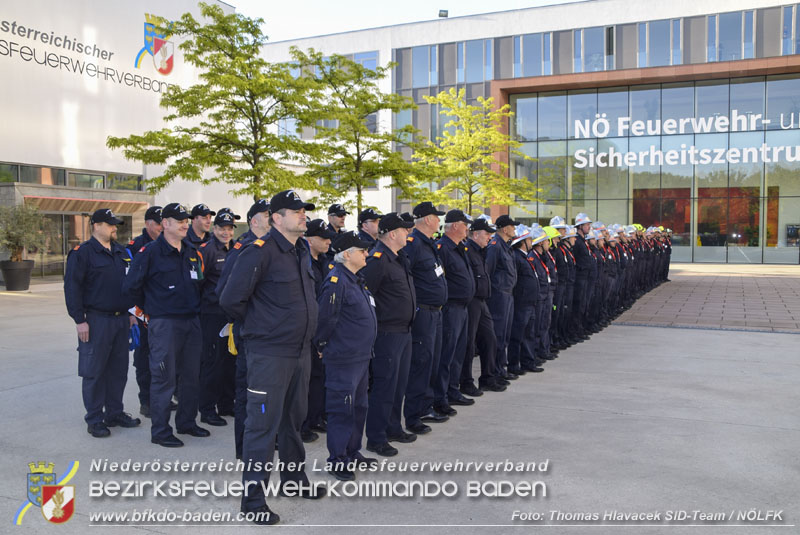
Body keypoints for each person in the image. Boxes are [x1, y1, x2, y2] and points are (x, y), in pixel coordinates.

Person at [219, 190, 324, 525]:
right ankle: (252, 501)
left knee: (292, 422)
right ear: (276, 218)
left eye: (304, 211)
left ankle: (293, 481)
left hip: (299, 352)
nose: (302, 215)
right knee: (261, 428)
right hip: (269, 355)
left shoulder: (301, 250)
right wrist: (262, 328)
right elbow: (230, 300)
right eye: (296, 211)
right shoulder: (258, 252)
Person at [123, 203, 207, 448]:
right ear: (165, 224)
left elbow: (198, 284)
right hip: (164, 324)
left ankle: (187, 423)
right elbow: (129, 289)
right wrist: (146, 317)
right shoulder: (149, 252)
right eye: (178, 220)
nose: (184, 224)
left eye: (186, 220)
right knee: (163, 378)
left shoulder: (191, 251)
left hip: (191, 322)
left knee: (191, 377)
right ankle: (160, 431)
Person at [64, 208, 141, 438]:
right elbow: (72, 289)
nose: (114, 227)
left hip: (121, 320)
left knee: (118, 370)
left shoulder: (121, 252)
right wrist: (79, 320)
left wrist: (131, 313)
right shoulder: (82, 253)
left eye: (115, 224)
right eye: (109, 224)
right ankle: (95, 418)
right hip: (96, 320)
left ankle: (114, 413)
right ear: (96, 225)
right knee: (94, 372)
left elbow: (129, 285)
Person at [313, 231, 378, 481]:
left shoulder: (356, 279)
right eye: (362, 251)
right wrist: (322, 344)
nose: (366, 254)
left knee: (359, 407)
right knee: (342, 408)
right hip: (344, 357)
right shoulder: (336, 281)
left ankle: (352, 451)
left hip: (360, 356)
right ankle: (337, 458)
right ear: (347, 254)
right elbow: (326, 318)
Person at [215, 199, 271, 460]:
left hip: (267, 335)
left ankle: (262, 441)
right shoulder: (244, 248)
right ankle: (245, 447)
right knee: (247, 392)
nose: (272, 218)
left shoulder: (271, 247)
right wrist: (249, 319)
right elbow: (224, 293)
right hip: (249, 333)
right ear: (254, 221)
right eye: (267, 215)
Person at [362, 213, 417, 457]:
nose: (408, 234)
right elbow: (366, 295)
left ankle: (394, 427)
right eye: (404, 230)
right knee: (384, 386)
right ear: (392, 234)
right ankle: (376, 437)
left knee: (399, 385)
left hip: (404, 331)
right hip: (387, 333)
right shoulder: (378, 259)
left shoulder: (398, 257)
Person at [403, 202, 449, 435]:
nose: (439, 220)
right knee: (420, 363)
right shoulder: (414, 244)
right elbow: (406, 276)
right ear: (426, 220)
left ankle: (426, 405)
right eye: (436, 216)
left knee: (432, 360)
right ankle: (414, 413)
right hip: (423, 312)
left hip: (436, 311)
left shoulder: (428, 244)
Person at [197, 211, 237, 427]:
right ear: (214, 229)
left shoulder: (236, 249)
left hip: (230, 315)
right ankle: (207, 409)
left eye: (230, 228)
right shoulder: (207, 251)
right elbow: (197, 283)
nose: (226, 232)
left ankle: (226, 404)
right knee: (212, 362)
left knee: (229, 361)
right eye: (222, 228)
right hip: (211, 314)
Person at [434, 210, 476, 414]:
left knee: (459, 352)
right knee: (447, 354)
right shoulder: (442, 248)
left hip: (463, 307)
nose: (468, 227)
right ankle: (440, 397)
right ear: (455, 225)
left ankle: (453, 390)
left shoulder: (460, 247)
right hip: (451, 308)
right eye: (465, 223)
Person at [126, 205, 163, 418]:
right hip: (141, 313)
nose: (161, 227)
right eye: (158, 223)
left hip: (162, 313)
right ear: (148, 224)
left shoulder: (168, 244)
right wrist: (136, 315)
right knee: (144, 359)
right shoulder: (134, 247)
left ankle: (162, 397)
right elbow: (129, 286)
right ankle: (146, 401)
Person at [302, 219, 337, 443]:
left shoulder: (325, 260)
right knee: (306, 379)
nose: (328, 241)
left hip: (323, 325)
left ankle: (316, 416)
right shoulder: (302, 260)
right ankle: (303, 423)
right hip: (307, 327)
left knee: (320, 376)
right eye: (323, 238)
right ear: (310, 239)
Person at [462, 217, 505, 393]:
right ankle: (465, 381)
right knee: (469, 343)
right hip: (471, 301)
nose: (489, 237)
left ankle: (488, 377)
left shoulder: (481, 251)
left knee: (489, 338)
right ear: (476, 234)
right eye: (487, 234)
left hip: (481, 301)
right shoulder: (467, 251)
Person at [485, 214, 519, 381]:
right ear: (505, 229)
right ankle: (496, 371)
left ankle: (501, 368)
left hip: (508, 295)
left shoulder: (506, 246)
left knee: (505, 334)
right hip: (498, 296)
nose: (514, 229)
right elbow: (488, 272)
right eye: (512, 226)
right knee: (498, 335)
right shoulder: (495, 246)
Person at [507, 224, 543, 375]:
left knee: (529, 333)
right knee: (518, 335)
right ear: (523, 241)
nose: (531, 241)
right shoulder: (517, 257)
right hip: (522, 302)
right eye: (529, 239)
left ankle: (528, 361)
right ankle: (514, 365)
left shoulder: (525, 257)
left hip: (530, 301)